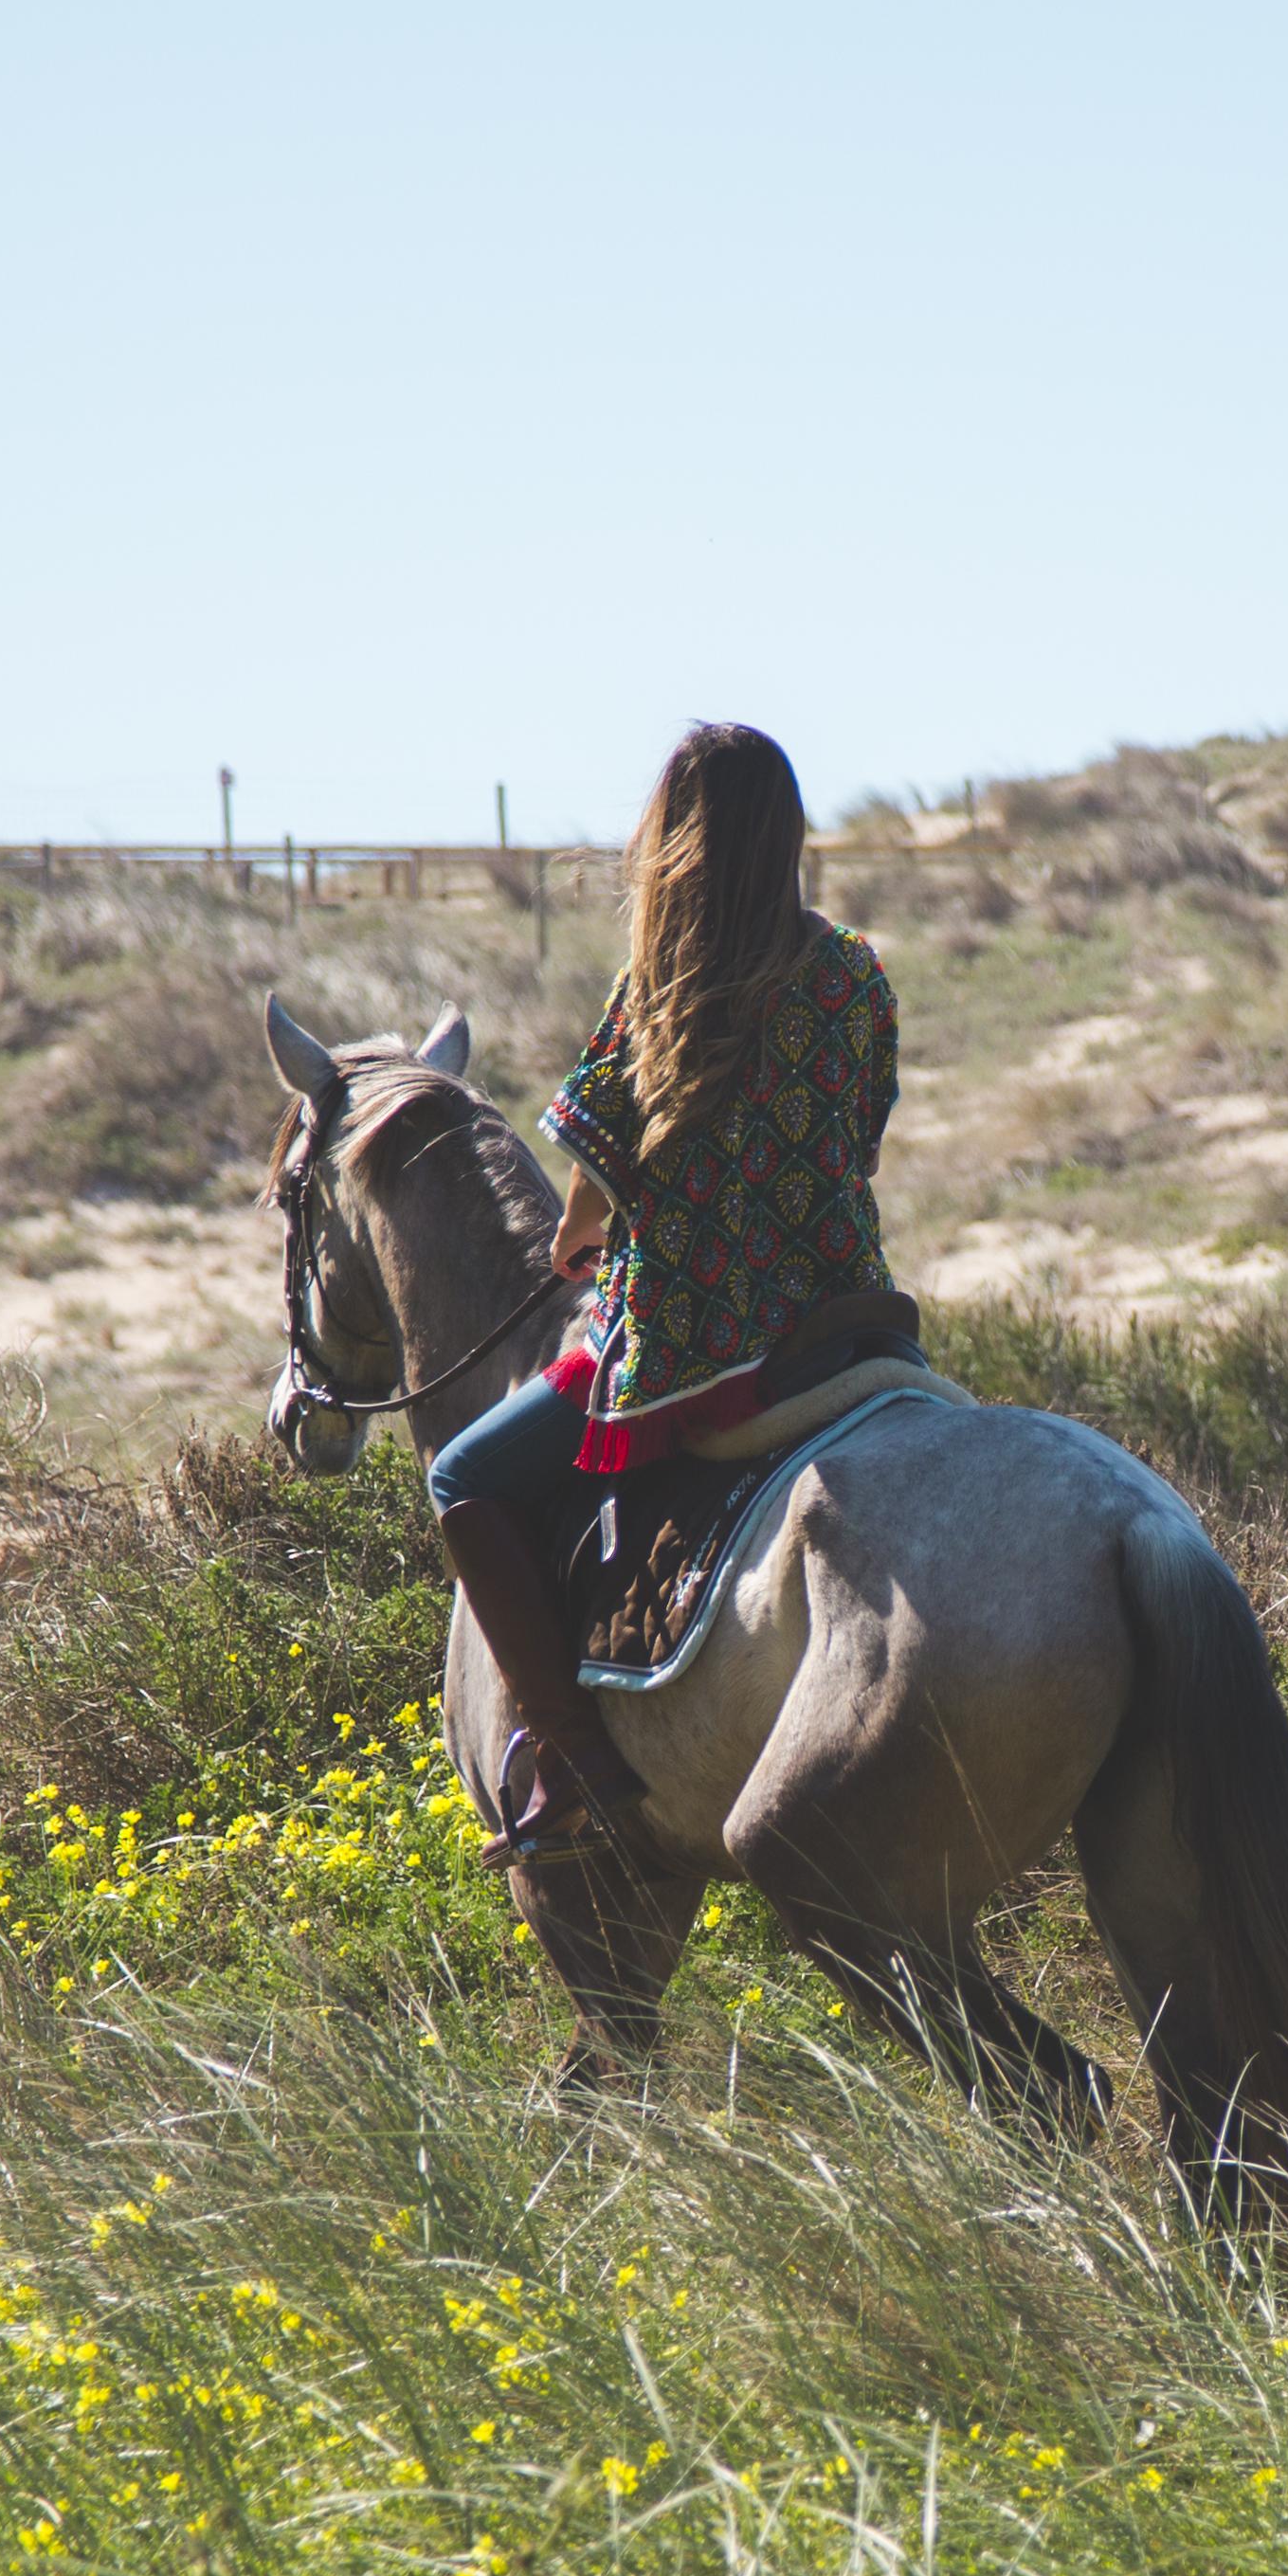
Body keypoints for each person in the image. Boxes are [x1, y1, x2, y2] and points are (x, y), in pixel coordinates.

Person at [422, 721, 905, 1856]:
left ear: (674, 841)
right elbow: (863, 1134)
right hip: (844, 1314)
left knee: (465, 1473)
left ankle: (571, 1758)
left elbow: (594, 1181)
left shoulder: (660, 984)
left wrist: (579, 1242)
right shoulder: (853, 972)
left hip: (698, 1338)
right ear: (787, 832)